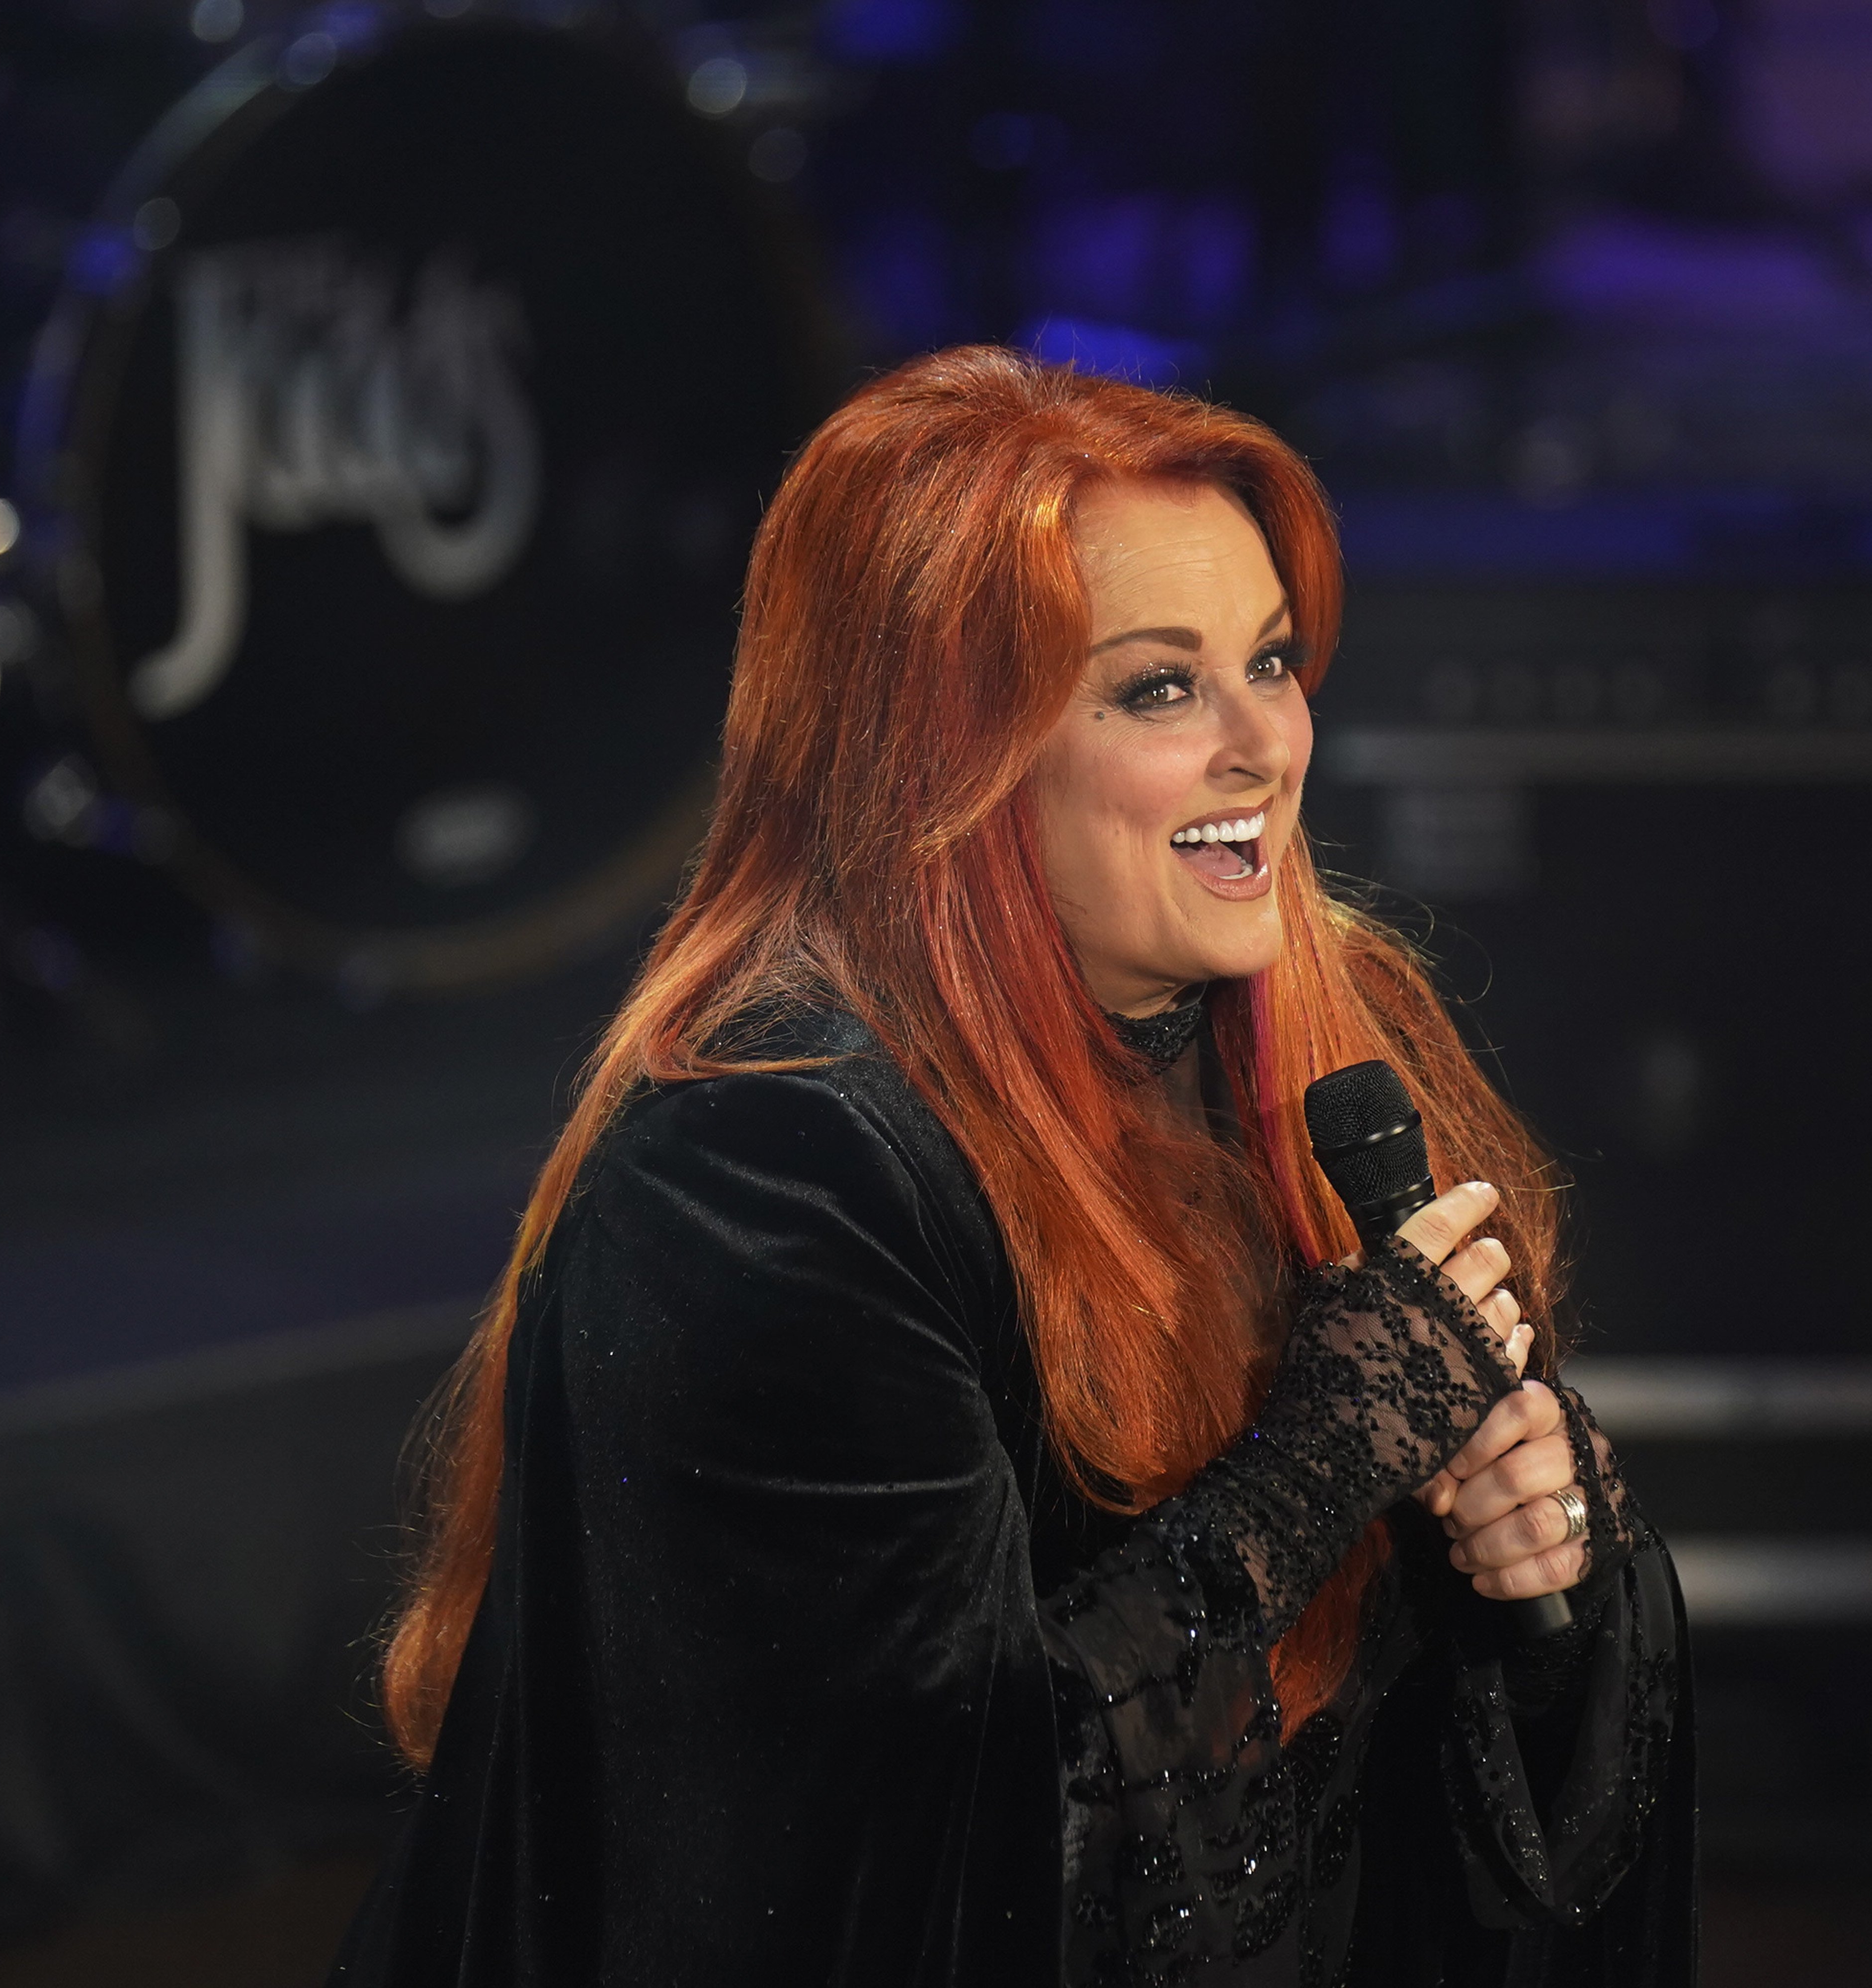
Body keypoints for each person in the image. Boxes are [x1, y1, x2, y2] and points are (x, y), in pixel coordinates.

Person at [332, 347, 1693, 1986]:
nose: (1265, 747)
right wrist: (1328, 1459)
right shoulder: (765, 1172)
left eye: (1272, 662)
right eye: (1158, 688)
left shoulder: (1335, 1039)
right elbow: (918, 1848)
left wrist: (1527, 1584)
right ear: (944, 756)